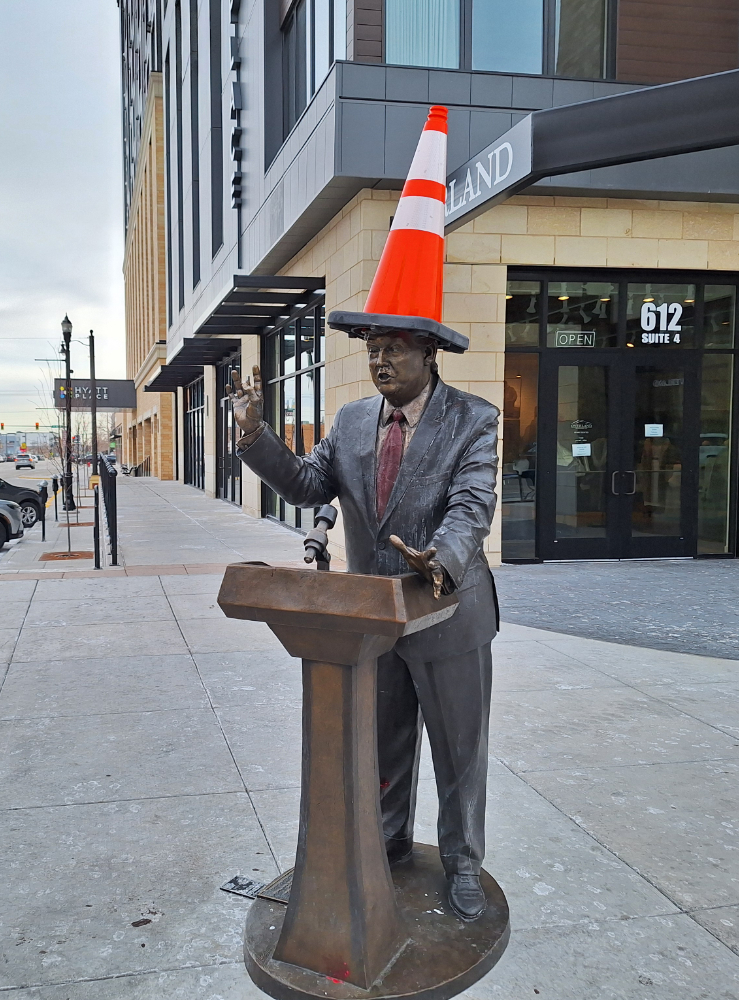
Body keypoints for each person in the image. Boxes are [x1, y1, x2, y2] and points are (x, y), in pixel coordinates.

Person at [227, 326, 499, 921]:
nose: (380, 360)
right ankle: (390, 840)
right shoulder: (351, 421)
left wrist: (444, 559)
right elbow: (306, 484)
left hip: (448, 613)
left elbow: (472, 505)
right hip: (375, 620)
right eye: (373, 350)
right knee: (384, 745)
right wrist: (253, 433)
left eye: (393, 349)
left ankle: (462, 863)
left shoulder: (473, 419)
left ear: (429, 354)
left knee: (459, 752)